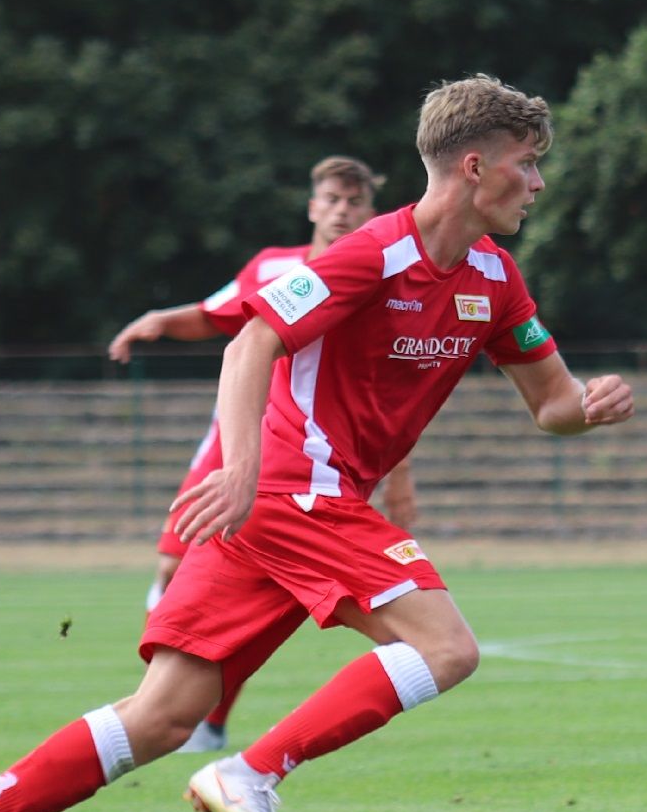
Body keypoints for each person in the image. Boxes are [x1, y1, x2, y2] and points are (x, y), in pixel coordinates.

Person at [0, 73, 633, 812]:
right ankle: (253, 769)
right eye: (527, 164)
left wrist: (590, 408)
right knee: (447, 647)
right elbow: (252, 341)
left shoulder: (494, 279)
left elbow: (551, 404)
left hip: (291, 506)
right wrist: (240, 470)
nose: (537, 183)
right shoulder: (370, 253)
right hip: (289, 489)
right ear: (473, 166)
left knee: (166, 715)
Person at [104, 156, 418, 752]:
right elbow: (217, 314)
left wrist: (401, 479)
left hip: (314, 458)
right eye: (331, 198)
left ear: (369, 210)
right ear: (312, 206)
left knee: (271, 595)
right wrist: (158, 321)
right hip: (241, 439)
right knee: (173, 563)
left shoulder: (383, 278)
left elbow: (389, 393)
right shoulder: (273, 265)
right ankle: (170, 697)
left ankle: (204, 715)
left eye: (354, 201)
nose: (341, 210)